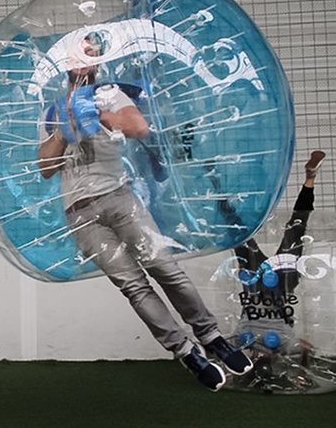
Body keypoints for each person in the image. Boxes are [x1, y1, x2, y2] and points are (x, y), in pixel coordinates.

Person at [37, 34, 252, 392]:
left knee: (165, 268)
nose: (85, 59)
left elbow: (139, 128)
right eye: (79, 53)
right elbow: (45, 167)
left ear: (99, 62)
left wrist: (100, 114)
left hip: (118, 196)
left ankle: (211, 336)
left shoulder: (109, 93)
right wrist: (63, 130)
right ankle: (186, 352)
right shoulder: (51, 110)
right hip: (80, 213)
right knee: (133, 286)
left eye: (92, 53)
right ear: (67, 62)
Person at [223, 151, 325, 389]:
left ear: (252, 361)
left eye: (258, 360)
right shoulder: (284, 344)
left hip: (258, 278)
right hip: (282, 279)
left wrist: (231, 370)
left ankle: (219, 189)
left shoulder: (243, 340)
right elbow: (307, 347)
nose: (261, 356)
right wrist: (303, 372)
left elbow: (218, 344)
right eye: (264, 360)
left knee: (241, 235)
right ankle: (309, 179)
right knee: (296, 228)